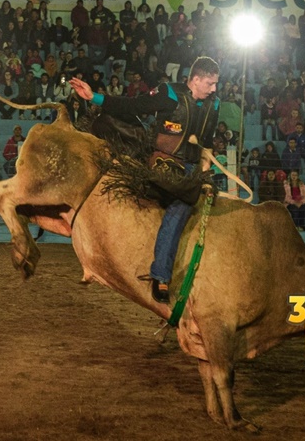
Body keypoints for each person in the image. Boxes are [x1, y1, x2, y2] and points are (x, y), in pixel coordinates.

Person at [70, 56, 220, 303]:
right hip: (163, 164)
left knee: (195, 200)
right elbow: (133, 106)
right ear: (195, 79)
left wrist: (203, 175)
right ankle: (161, 276)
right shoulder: (169, 93)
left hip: (190, 168)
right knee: (182, 203)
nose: (214, 89)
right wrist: (93, 97)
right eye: (210, 83)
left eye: (215, 84)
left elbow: (208, 144)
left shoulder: (213, 105)